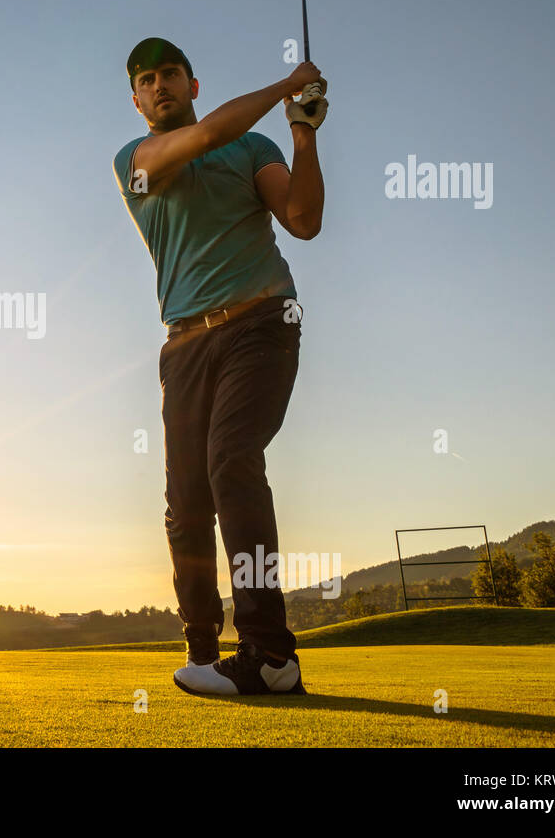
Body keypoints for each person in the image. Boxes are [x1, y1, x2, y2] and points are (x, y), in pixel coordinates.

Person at [112, 37, 327, 695]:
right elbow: (205, 137)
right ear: (137, 100)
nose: (159, 85)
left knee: (231, 460)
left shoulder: (252, 148)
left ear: (192, 82)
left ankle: (268, 651)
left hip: (263, 322)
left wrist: (302, 134)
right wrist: (284, 86)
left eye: (169, 73)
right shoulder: (137, 162)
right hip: (184, 344)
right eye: (146, 80)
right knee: (185, 505)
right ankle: (202, 649)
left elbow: (303, 219)